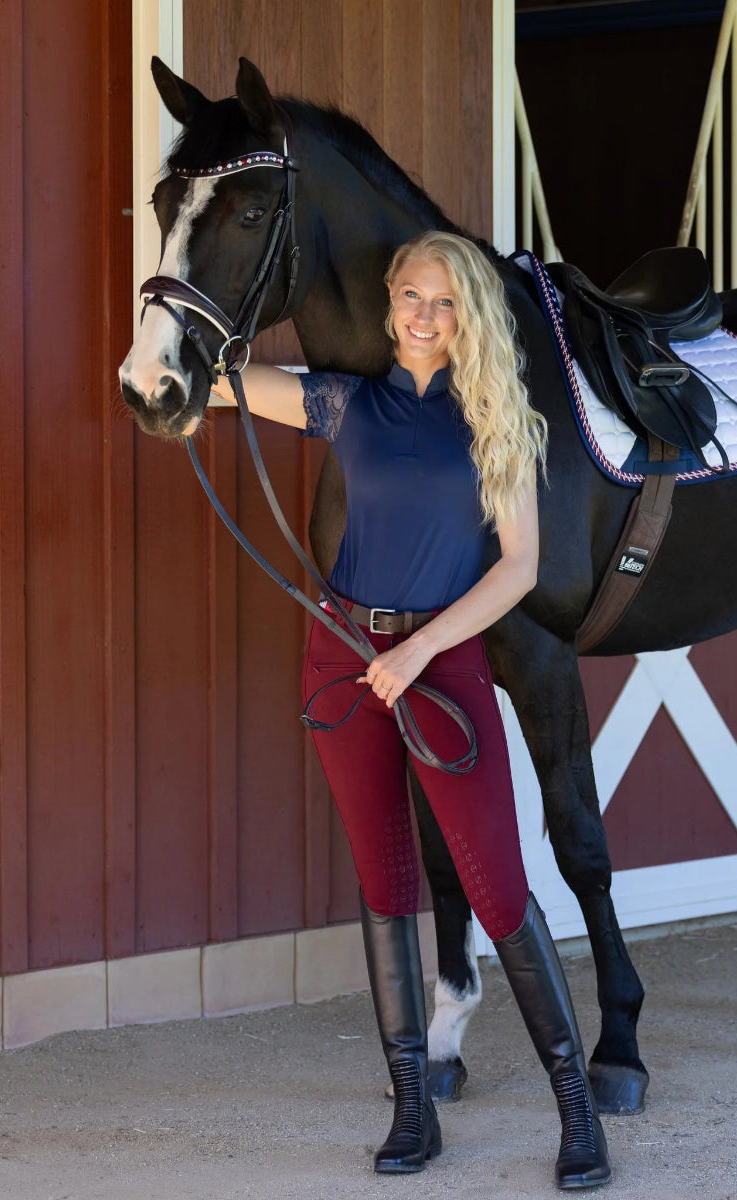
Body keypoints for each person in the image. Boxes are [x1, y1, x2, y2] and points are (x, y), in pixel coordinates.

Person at [210, 230, 611, 1190]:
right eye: (410, 298)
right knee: (385, 885)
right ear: (389, 303)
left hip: (442, 665)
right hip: (343, 656)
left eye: (442, 301)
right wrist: (179, 344)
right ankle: (412, 1112)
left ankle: (579, 1117)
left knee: (499, 888)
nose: (423, 317)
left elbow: (517, 567)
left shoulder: (498, 424)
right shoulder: (347, 402)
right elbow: (224, 383)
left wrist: (424, 649)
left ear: (466, 312)